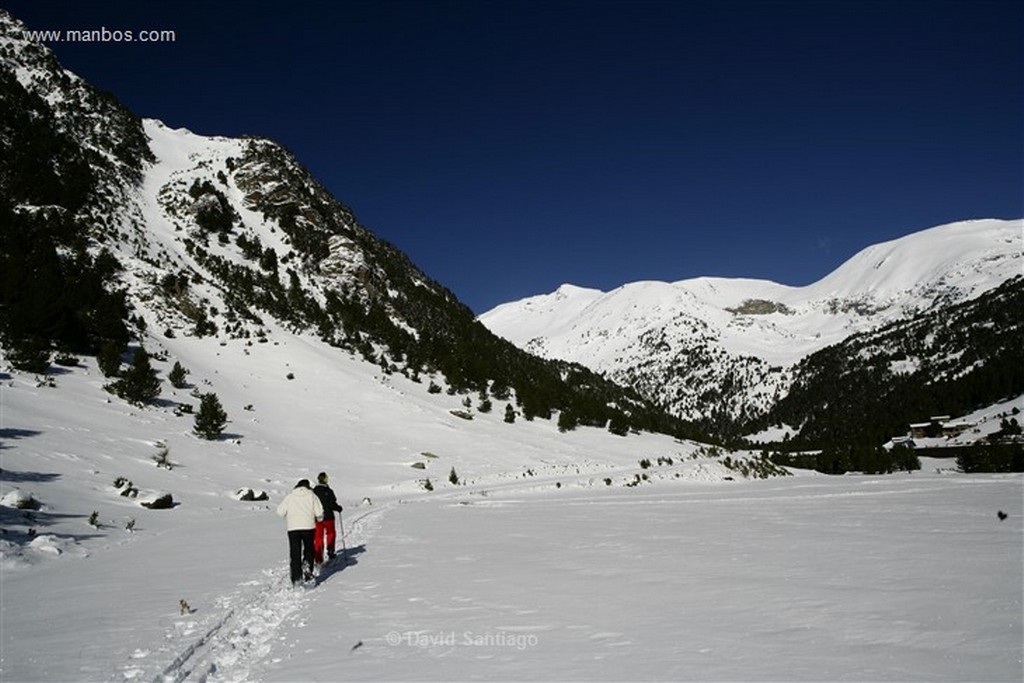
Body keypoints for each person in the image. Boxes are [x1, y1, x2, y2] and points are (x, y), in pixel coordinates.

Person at [276, 479, 323, 585]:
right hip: (308, 527)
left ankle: (296, 578)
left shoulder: (290, 497)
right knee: (309, 549)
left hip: (293, 529)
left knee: (295, 553)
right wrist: (319, 519)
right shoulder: (312, 496)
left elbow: (280, 512)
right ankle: (307, 568)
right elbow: (319, 512)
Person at [312, 471, 344, 564]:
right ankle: (330, 551)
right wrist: (338, 508)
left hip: (317, 518)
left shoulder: (314, 491)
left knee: (318, 537)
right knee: (330, 533)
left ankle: (318, 557)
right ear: (325, 480)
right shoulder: (329, 491)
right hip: (329, 517)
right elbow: (332, 504)